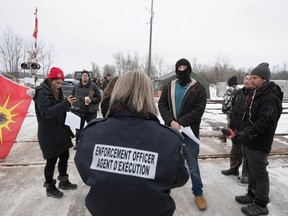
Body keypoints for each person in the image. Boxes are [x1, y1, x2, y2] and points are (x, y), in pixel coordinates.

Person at [75, 70, 189, 216]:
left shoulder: (92, 132)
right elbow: (179, 178)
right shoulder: (169, 139)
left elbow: (85, 171)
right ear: (148, 95)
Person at [232, 63, 283, 216]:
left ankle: (261, 204)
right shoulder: (256, 93)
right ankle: (251, 195)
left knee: (259, 174)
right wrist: (238, 130)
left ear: (264, 79)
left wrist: (247, 133)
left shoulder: (270, 96)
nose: (251, 80)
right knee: (251, 171)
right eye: (251, 77)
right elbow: (247, 116)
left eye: (255, 78)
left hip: (259, 142)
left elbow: (265, 121)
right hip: (250, 140)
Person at [158, 58, 208, 211]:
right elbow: (162, 105)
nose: (182, 69)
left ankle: (198, 192)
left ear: (189, 69)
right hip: (172, 131)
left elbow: (199, 110)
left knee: (192, 166)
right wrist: (171, 121)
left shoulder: (198, 88)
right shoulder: (168, 86)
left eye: (184, 67)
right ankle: (162, 190)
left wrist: (182, 122)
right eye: (179, 67)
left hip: (190, 133)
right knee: (168, 162)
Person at [33, 67, 78, 198]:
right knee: (51, 161)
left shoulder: (56, 92)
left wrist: (67, 110)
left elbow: (58, 109)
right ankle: (50, 187)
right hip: (48, 134)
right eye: (57, 83)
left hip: (60, 131)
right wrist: (64, 104)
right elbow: (46, 113)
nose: (60, 86)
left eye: (61, 83)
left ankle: (63, 181)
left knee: (64, 156)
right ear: (51, 80)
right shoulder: (41, 93)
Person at [221, 74, 253, 184]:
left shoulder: (255, 94)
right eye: (246, 79)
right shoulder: (239, 93)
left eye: (250, 79)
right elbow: (234, 110)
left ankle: (246, 175)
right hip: (237, 128)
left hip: (248, 129)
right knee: (235, 150)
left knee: (246, 153)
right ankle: (234, 168)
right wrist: (231, 125)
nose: (248, 81)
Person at [71, 70, 101, 147]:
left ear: (88, 77)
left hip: (90, 112)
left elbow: (99, 97)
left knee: (92, 129)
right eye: (83, 75)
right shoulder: (76, 86)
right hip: (79, 111)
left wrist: (91, 100)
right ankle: (78, 142)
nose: (84, 76)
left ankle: (92, 143)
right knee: (78, 129)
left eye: (86, 75)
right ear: (81, 77)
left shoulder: (94, 86)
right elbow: (72, 96)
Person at [219, 75, 240, 142]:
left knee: (230, 125)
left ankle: (225, 137)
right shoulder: (239, 90)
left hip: (230, 112)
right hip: (237, 112)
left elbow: (226, 102)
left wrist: (224, 110)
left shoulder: (230, 90)